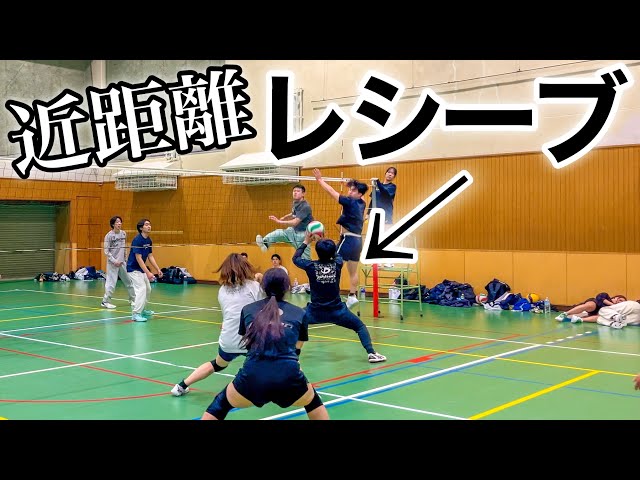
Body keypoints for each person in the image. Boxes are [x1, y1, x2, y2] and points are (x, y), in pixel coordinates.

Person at [200, 267, 329, 420]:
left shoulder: (248, 310)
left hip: (253, 376)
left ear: (262, 287)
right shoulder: (300, 313)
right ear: (287, 287)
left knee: (220, 405)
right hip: (288, 376)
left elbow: (248, 344)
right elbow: (297, 348)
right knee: (313, 402)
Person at [171, 253, 262, 396]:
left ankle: (181, 386)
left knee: (218, 364)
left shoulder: (222, 290)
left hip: (228, 341)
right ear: (245, 267)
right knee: (276, 359)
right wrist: (260, 281)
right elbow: (265, 307)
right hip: (250, 341)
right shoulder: (254, 286)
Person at [293, 231, 387, 363]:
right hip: (337, 311)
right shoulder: (337, 263)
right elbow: (337, 253)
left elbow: (295, 258)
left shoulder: (310, 266)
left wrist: (306, 242)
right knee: (360, 326)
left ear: (317, 252)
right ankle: (371, 353)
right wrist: (327, 240)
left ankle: (293, 357)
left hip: (315, 312)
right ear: (332, 253)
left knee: (293, 322)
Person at [312, 168, 367, 309]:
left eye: (353, 190)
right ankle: (352, 296)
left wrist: (320, 180)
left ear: (359, 194)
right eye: (350, 189)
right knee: (353, 271)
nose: (350, 192)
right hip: (358, 241)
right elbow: (363, 197)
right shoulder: (362, 203)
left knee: (331, 265)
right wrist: (351, 184)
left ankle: (331, 295)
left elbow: (331, 191)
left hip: (347, 240)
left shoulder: (349, 202)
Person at [256, 184, 313, 260]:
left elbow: (295, 222)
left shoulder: (305, 207)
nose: (295, 192)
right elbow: (293, 213)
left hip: (302, 235)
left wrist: (279, 221)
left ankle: (309, 265)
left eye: (298, 191)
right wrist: (284, 217)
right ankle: (265, 244)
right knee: (278, 233)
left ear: (303, 194)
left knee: (305, 260)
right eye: (294, 191)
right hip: (293, 230)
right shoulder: (296, 203)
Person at [126, 218, 163, 322]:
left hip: (141, 269)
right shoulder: (137, 240)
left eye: (149, 224)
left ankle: (143, 309)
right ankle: (136, 314)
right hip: (133, 268)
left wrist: (157, 269)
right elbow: (138, 258)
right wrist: (148, 273)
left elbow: (150, 256)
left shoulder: (148, 240)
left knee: (148, 289)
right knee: (141, 289)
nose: (149, 226)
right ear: (141, 228)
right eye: (146, 224)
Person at [101, 215, 136, 309]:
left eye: (120, 222)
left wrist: (125, 259)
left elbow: (124, 248)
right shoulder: (108, 236)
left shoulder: (123, 234)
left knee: (129, 281)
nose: (119, 223)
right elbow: (106, 251)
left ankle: (133, 299)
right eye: (117, 222)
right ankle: (105, 301)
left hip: (122, 262)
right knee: (111, 283)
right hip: (112, 263)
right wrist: (114, 261)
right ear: (113, 224)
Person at [555, 292, 626, 323]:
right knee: (591, 306)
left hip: (598, 313)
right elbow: (599, 298)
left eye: (622, 302)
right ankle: (565, 314)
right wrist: (612, 304)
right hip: (595, 304)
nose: (619, 302)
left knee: (601, 317)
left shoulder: (616, 308)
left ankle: (580, 320)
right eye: (620, 300)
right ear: (616, 297)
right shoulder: (606, 296)